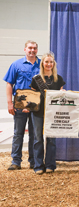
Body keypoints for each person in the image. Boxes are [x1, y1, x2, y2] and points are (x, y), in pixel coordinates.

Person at [3, 40, 40, 170]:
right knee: (18, 133)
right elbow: (9, 84)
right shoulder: (16, 65)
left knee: (34, 134)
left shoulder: (41, 65)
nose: (32, 50)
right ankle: (16, 162)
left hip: (36, 106)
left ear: (37, 50)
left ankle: (34, 161)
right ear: (25, 49)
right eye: (30, 48)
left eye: (34, 48)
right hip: (19, 104)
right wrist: (9, 103)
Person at [30, 52, 66, 174]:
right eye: (46, 62)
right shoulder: (36, 79)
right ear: (42, 63)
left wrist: (64, 93)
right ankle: (38, 165)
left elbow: (62, 96)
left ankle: (50, 164)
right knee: (38, 139)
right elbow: (32, 96)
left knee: (51, 139)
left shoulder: (59, 79)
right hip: (38, 112)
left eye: (51, 62)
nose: (49, 64)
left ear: (54, 63)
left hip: (53, 113)